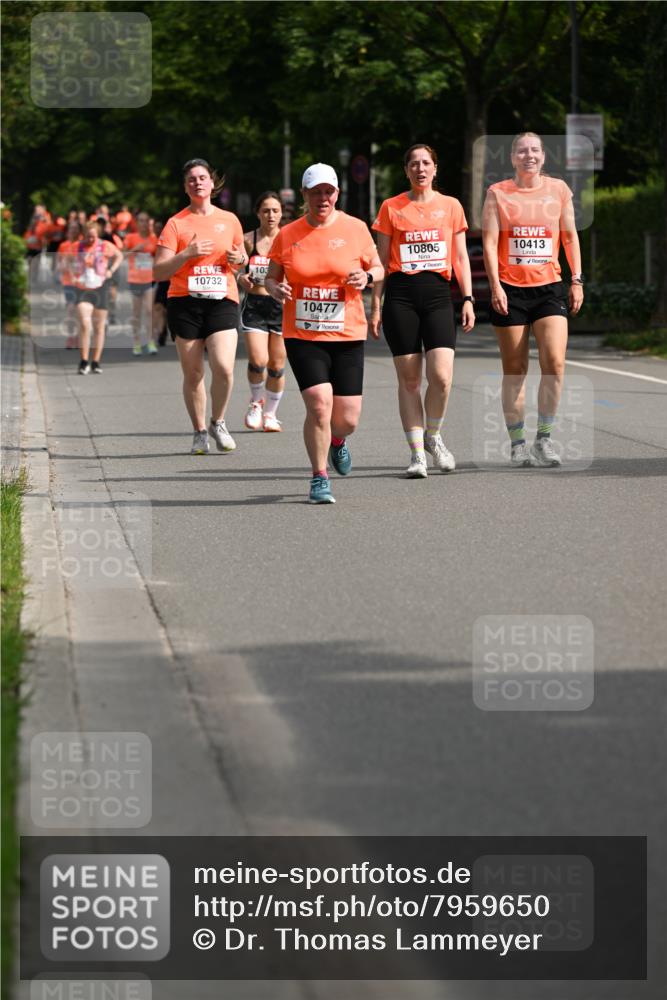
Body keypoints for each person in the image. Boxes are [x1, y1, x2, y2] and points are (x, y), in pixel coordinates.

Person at [266, 163, 383, 504]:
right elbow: (272, 277)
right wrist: (274, 288)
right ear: (305, 195)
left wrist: (367, 277)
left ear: (337, 193)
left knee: (347, 419)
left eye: (328, 192)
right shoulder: (288, 234)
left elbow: (379, 267)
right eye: (315, 192)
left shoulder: (355, 228)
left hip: (347, 333)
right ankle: (319, 477)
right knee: (319, 405)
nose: (322, 198)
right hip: (303, 334)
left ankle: (338, 440)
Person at [371, 143, 475, 478]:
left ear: (435, 168)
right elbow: (381, 261)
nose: (420, 168)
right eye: (414, 164)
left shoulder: (451, 206)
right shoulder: (391, 207)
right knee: (410, 380)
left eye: (426, 163)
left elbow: (460, 257)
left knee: (441, 377)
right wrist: (375, 305)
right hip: (401, 296)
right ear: (406, 171)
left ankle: (434, 435)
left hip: (438, 295)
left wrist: (469, 298)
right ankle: (417, 454)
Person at [482, 131, 584, 467]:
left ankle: (544, 439)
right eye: (522, 151)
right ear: (513, 158)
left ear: (543, 156)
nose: (529, 155)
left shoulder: (559, 190)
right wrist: (495, 286)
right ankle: (517, 444)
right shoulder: (497, 193)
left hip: (549, 287)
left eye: (535, 150)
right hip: (510, 290)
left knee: (554, 363)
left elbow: (570, 238)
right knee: (515, 369)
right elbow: (489, 244)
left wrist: (577, 280)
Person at [153, 158, 247, 455]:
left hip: (222, 299)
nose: (197, 183)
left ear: (212, 183)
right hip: (185, 302)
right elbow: (159, 271)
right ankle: (199, 431)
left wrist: (239, 259)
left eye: (202, 177)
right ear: (185, 187)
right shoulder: (176, 223)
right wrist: (187, 254)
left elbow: (241, 258)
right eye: (191, 179)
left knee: (224, 367)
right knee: (193, 374)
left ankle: (218, 421)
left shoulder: (229, 220)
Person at [237, 191, 286, 432]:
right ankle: (256, 402)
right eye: (266, 210)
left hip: (281, 307)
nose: (271, 215)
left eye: (275, 210)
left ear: (281, 213)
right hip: (255, 305)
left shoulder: (289, 239)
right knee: (258, 361)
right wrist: (241, 277)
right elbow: (235, 267)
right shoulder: (248, 239)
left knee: (276, 366)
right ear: (258, 213)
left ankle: (270, 414)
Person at [71, 219, 123, 374]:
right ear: (83, 234)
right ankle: (83, 361)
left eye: (93, 236)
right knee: (85, 323)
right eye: (88, 236)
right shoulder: (77, 246)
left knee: (99, 327)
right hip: (82, 288)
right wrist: (72, 275)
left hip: (101, 287)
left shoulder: (105, 245)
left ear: (98, 234)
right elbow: (65, 260)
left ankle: (95, 361)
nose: (90, 239)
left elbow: (119, 256)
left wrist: (111, 270)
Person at [124, 211, 159, 355]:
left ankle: (150, 341)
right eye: (141, 221)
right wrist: (135, 249)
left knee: (150, 311)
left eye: (146, 221)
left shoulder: (154, 239)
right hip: (135, 280)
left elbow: (159, 257)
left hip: (150, 279)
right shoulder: (131, 237)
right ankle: (137, 342)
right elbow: (122, 255)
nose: (144, 223)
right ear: (137, 223)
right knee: (136, 312)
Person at [56, 220, 82, 348]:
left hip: (82, 282)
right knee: (71, 309)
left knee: (79, 310)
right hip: (68, 282)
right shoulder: (63, 246)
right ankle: (71, 337)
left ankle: (78, 337)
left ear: (80, 231)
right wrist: (65, 264)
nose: (73, 230)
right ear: (68, 230)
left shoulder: (83, 245)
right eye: (71, 228)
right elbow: (59, 265)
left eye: (76, 228)